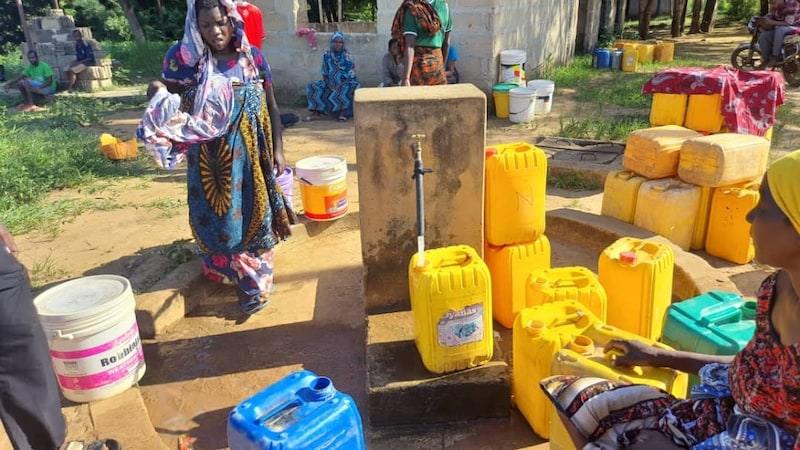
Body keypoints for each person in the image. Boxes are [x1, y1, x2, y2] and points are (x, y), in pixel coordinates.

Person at [541, 150, 800, 449]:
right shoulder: (774, 287)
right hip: (725, 414)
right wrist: (657, 355)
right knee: (576, 396)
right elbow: (751, 367)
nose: (749, 215)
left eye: (765, 206)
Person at [138, 0, 295, 316]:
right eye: (207, 25)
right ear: (196, 26)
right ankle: (228, 272)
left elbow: (273, 106)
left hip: (254, 156)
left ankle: (253, 288)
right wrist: (156, 92)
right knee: (221, 219)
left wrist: (278, 149)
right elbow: (163, 92)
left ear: (231, 19)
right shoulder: (182, 62)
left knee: (258, 216)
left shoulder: (252, 59)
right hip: (212, 162)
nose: (216, 31)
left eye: (221, 22)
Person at [391, 0, 452, 86]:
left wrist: (405, 78)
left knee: (417, 98)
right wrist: (441, 66)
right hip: (438, 68)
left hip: (418, 68)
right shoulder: (445, 8)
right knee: (438, 98)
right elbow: (446, 43)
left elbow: (410, 45)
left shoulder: (412, 8)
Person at [304, 32, 360, 122]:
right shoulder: (327, 56)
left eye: (340, 42)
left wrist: (340, 84)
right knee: (312, 87)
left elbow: (351, 74)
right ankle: (316, 113)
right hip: (330, 83)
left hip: (344, 83)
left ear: (343, 44)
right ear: (332, 42)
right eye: (335, 42)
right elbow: (324, 72)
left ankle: (342, 114)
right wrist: (329, 85)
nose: (338, 44)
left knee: (352, 88)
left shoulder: (347, 56)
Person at [757, 0, 800, 67]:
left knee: (780, 30)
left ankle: (775, 57)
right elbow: (770, 17)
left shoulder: (792, 4)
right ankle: (766, 59)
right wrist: (763, 20)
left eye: (774, 3)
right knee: (764, 36)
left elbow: (788, 23)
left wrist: (771, 22)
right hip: (780, 29)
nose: (772, 5)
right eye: (771, 3)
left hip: (795, 27)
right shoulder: (775, 8)